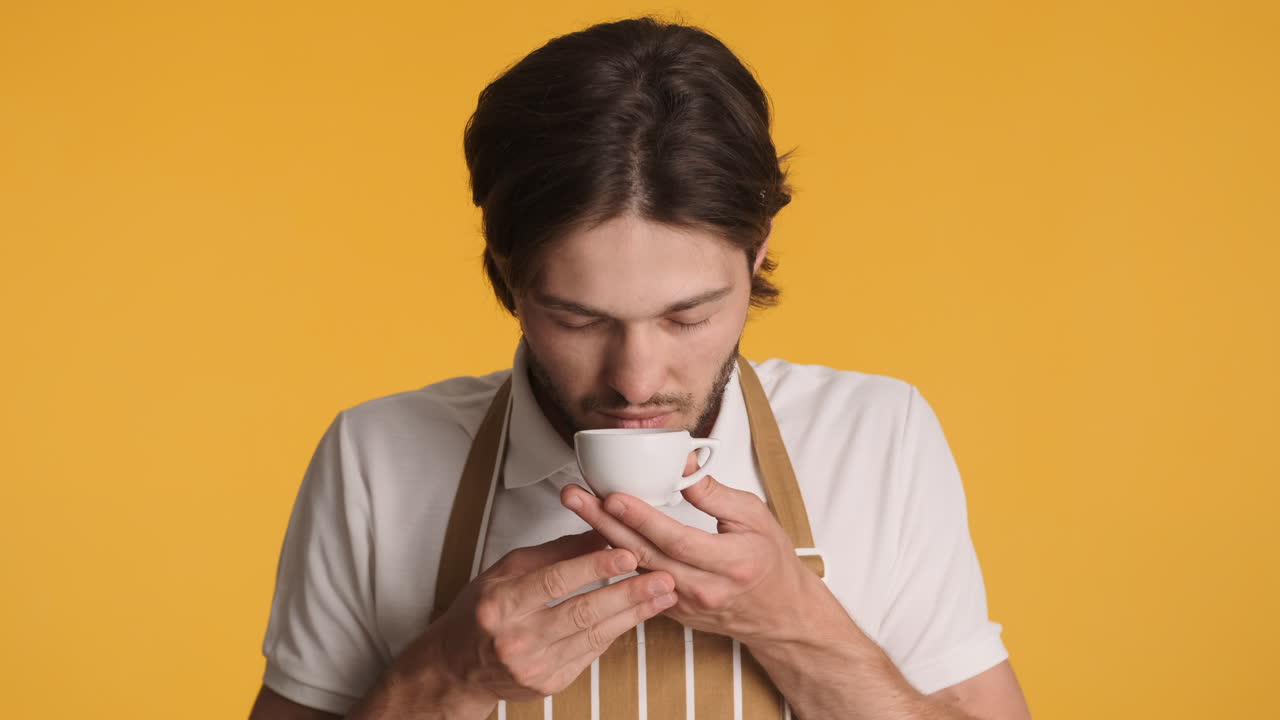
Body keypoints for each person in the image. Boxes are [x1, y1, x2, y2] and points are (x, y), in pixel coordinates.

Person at [249, 16, 1032, 720]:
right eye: (579, 318)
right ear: (508, 278)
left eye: (688, 317)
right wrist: (448, 677)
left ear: (755, 258)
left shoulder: (875, 437)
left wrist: (795, 624)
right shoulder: (375, 458)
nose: (636, 378)